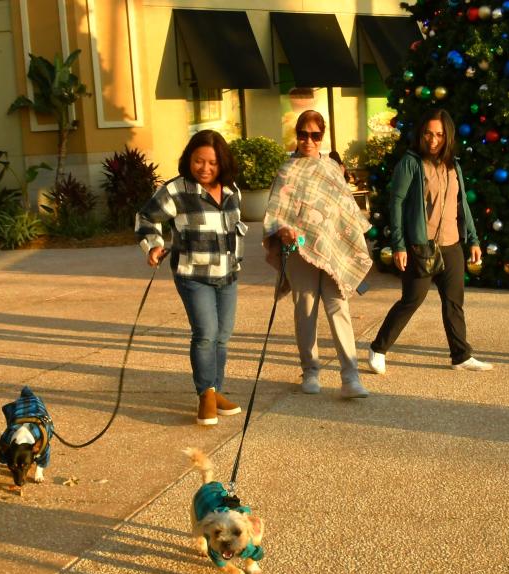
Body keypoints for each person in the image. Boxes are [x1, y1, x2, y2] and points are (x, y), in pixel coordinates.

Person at [136, 129, 248, 425]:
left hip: (228, 275)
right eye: (199, 161)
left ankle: (216, 391)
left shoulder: (231, 191)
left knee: (222, 337)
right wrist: (153, 244)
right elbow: (146, 217)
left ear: (222, 163)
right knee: (206, 334)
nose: (205, 169)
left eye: (212, 163)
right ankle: (205, 395)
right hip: (192, 274)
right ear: (189, 160)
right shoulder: (177, 191)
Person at [367, 108, 493, 374]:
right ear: (420, 135)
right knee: (412, 299)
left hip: (451, 245)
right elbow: (397, 204)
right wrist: (400, 245)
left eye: (439, 134)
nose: (433, 140)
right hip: (421, 246)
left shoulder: (453, 165)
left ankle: (461, 355)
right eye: (428, 133)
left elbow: (462, 206)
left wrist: (473, 239)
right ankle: (378, 348)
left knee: (454, 302)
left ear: (447, 136)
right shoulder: (411, 163)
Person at [263, 110, 373, 398]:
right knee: (305, 311)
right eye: (303, 134)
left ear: (322, 137)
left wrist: (350, 242)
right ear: (297, 135)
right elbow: (275, 212)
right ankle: (310, 370)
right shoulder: (287, 170)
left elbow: (346, 210)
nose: (308, 140)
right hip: (300, 251)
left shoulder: (332, 169)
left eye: (315, 135)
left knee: (339, 308)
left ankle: (351, 376)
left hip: (332, 251)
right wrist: (282, 230)